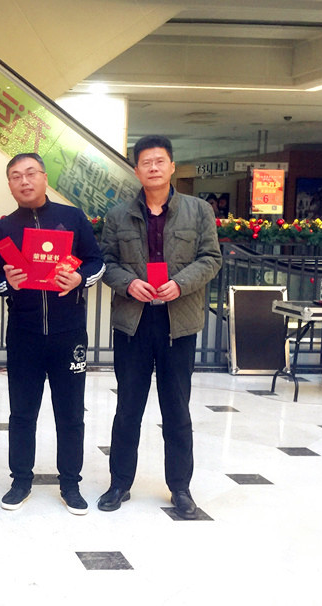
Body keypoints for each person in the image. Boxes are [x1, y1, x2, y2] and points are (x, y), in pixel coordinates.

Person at [97, 135, 222, 519]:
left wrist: (180, 284)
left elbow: (211, 258)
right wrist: (128, 283)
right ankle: (119, 483)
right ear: (136, 170)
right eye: (146, 162)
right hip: (133, 322)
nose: (153, 167)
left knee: (177, 408)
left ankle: (180, 488)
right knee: (127, 407)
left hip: (177, 323)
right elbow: (106, 262)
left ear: (171, 167)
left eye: (160, 161)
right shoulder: (118, 215)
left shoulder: (198, 211)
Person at [0, 152, 105, 514]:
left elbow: (97, 260)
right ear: (9, 185)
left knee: (70, 413)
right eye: (16, 176)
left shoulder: (72, 218)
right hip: (23, 333)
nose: (24, 181)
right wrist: (7, 284)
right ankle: (20, 480)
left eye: (30, 173)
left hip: (68, 333)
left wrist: (79, 279)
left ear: (43, 177)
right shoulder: (2, 228)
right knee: (22, 412)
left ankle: (70, 484)